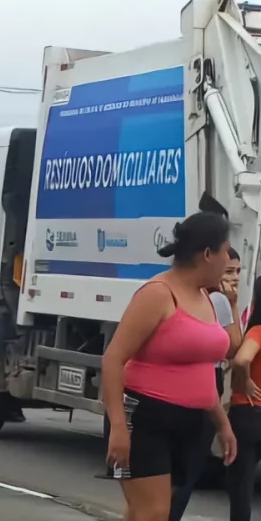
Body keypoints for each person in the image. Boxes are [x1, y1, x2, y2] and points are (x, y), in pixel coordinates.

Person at [102, 212, 237, 521]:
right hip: (143, 419)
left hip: (189, 423)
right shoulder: (158, 294)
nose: (228, 259)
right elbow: (113, 358)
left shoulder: (205, 296)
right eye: (225, 250)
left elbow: (202, 368)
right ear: (207, 254)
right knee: (154, 513)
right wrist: (119, 427)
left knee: (146, 513)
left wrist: (222, 423)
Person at [168, 246, 243, 521]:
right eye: (229, 271)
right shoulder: (218, 301)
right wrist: (233, 303)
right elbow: (234, 348)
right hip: (204, 384)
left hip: (176, 387)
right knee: (188, 470)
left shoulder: (186, 296)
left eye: (238, 271)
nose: (234, 278)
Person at [227, 275, 261, 521]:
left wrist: (246, 381)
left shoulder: (258, 331)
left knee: (241, 486)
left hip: (248, 412)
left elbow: (241, 359)